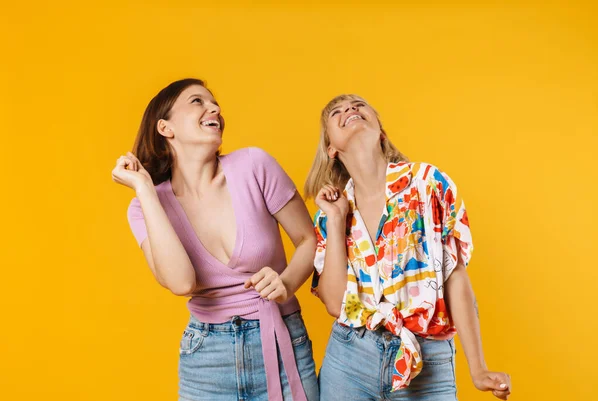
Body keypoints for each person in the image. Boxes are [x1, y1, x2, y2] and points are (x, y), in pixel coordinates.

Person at [112, 78, 319, 401]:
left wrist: (287, 283)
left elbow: (309, 239)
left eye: (214, 103)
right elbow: (181, 283)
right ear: (165, 128)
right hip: (207, 358)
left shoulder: (254, 165)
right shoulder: (144, 207)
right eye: (197, 101)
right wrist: (145, 190)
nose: (215, 109)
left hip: (280, 340)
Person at [304, 94, 511, 400]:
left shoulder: (428, 184)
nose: (349, 109)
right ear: (331, 147)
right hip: (349, 359)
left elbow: (454, 277)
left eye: (358, 105)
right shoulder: (329, 213)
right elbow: (335, 304)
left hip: (427, 358)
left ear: (381, 131)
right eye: (337, 111)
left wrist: (478, 368)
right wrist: (336, 220)